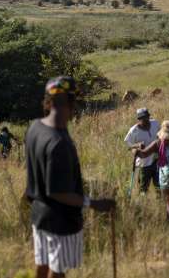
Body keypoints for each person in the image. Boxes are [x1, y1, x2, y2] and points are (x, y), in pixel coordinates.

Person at [25, 76, 115, 278]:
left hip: (39, 214)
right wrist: (94, 203)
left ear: (48, 101)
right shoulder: (59, 143)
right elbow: (58, 192)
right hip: (61, 221)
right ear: (72, 103)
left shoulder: (35, 128)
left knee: (42, 264)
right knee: (58, 271)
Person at [142, 120, 169, 223]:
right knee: (168, 203)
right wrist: (137, 150)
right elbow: (144, 154)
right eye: (166, 136)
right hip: (164, 177)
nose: (168, 139)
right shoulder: (158, 143)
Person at [124, 108, 161, 195]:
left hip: (157, 160)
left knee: (159, 187)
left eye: (147, 116)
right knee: (143, 189)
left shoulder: (155, 123)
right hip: (143, 164)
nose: (146, 119)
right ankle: (144, 203)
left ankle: (160, 203)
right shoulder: (134, 130)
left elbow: (161, 136)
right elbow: (128, 146)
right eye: (143, 118)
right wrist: (137, 145)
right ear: (139, 119)